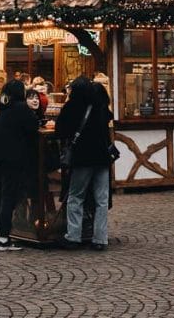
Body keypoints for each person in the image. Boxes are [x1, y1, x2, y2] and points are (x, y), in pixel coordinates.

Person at [55, 75, 112, 251]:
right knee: (101, 199)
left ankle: (73, 236)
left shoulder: (72, 107)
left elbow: (60, 130)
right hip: (102, 158)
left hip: (82, 158)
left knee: (76, 196)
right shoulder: (100, 106)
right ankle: (100, 238)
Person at [0, 79, 38, 252]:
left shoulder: (2, 106)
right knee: (8, 197)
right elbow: (33, 126)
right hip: (12, 158)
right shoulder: (21, 107)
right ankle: (4, 239)